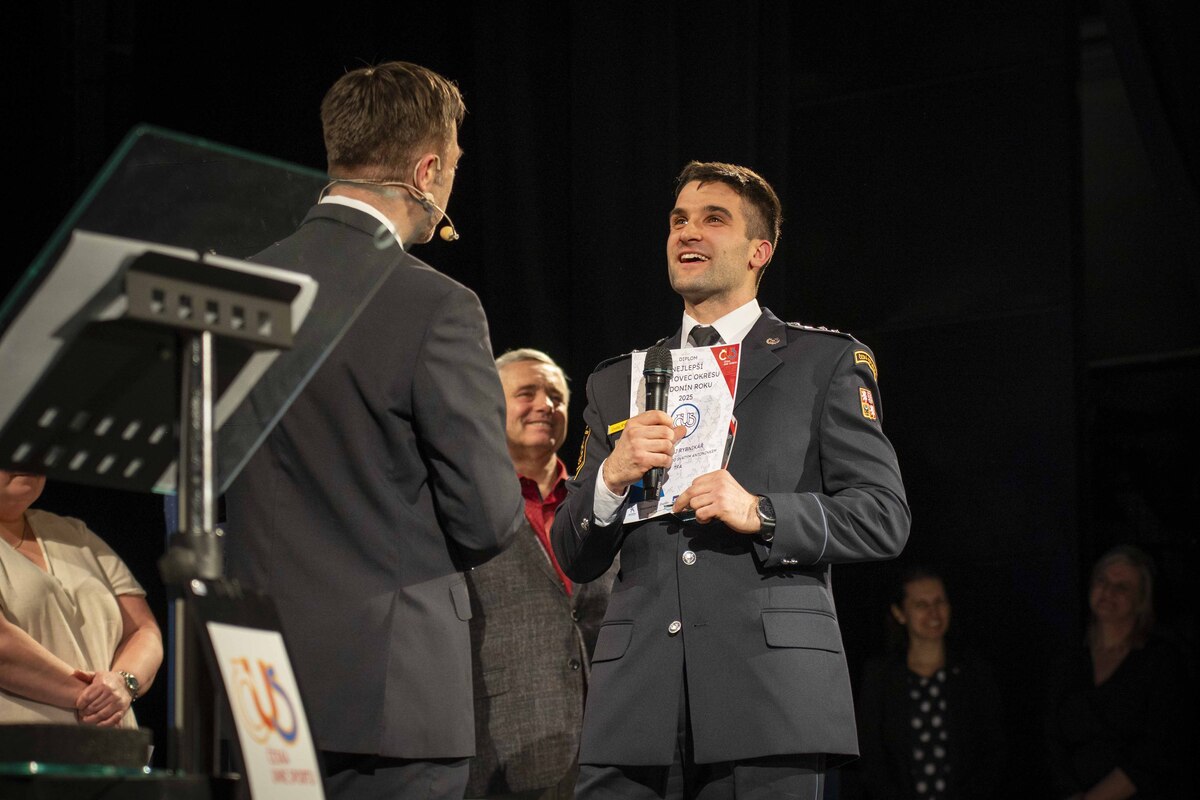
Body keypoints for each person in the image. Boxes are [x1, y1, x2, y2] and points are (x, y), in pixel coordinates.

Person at [551, 161, 910, 798]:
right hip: (636, 705)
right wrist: (610, 478)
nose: (688, 232)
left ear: (758, 251)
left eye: (713, 219)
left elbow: (883, 516)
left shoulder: (823, 362)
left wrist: (763, 512)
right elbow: (574, 553)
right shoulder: (617, 380)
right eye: (678, 220)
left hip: (769, 697)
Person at [224, 61, 523, 800]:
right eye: (453, 165)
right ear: (426, 172)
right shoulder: (436, 306)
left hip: (259, 686)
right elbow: (488, 517)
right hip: (393, 694)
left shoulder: (235, 289)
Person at [465, 349, 617, 799]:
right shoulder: (465, 506)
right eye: (526, 393)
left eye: (555, 396)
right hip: (505, 747)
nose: (544, 405)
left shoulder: (601, 500)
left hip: (609, 747)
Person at [0, 471, 162, 729]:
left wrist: (123, 683)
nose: (27, 461)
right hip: (22, 746)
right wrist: (98, 698)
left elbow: (143, 629)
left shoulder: (75, 533)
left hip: (114, 746)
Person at [1046, 545, 1194, 799]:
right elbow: (1051, 739)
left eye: (1121, 587)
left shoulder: (1161, 661)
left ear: (1141, 600)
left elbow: (1158, 750)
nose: (1107, 592)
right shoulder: (1069, 660)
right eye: (1102, 581)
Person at [854, 566, 1004, 800]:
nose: (934, 613)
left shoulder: (974, 672)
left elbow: (994, 751)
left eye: (939, 602)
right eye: (921, 605)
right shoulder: (880, 676)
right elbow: (871, 756)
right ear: (899, 613)